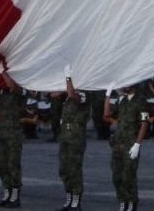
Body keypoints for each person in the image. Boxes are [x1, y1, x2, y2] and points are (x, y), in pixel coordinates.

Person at [0, 62, 25, 208]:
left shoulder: (19, 89)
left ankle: (15, 194)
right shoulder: (2, 92)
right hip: (1, 132)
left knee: (13, 164)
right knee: (1, 164)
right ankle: (7, 192)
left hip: (14, 132)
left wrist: (2, 72)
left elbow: (13, 86)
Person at [103, 83, 148, 211]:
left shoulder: (140, 101)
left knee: (129, 176)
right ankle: (123, 200)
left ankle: (132, 204)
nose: (124, 86)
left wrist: (137, 144)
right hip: (118, 144)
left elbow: (144, 123)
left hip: (131, 144)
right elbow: (107, 115)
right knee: (116, 176)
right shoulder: (121, 100)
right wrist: (107, 95)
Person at [58, 65, 89, 210]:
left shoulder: (84, 94)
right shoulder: (67, 97)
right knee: (64, 168)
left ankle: (76, 200)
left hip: (76, 136)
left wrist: (68, 77)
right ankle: (69, 197)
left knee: (74, 168)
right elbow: (53, 94)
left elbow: (72, 94)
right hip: (65, 135)